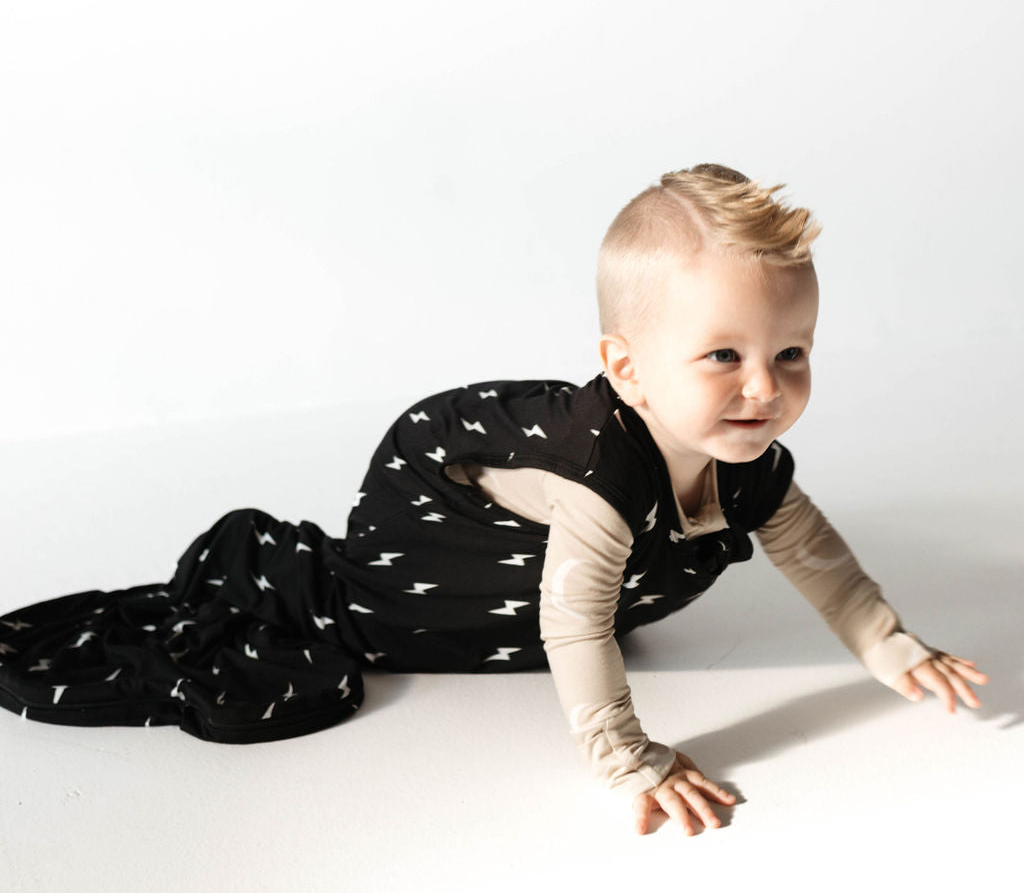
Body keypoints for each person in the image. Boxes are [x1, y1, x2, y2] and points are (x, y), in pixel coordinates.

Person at [0, 163, 988, 837]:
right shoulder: (600, 473)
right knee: (391, 619)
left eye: (790, 353)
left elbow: (820, 559)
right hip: (434, 502)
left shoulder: (751, 459)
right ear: (627, 368)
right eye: (722, 355)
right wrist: (627, 754)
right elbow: (572, 622)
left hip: (537, 507)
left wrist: (890, 642)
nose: (764, 388)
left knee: (674, 551)